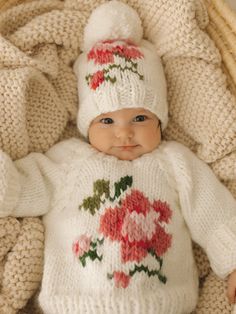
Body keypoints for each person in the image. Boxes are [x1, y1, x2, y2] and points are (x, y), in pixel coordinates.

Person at [0, 1, 236, 313]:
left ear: (160, 121)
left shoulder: (175, 163)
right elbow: (22, 185)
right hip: (78, 302)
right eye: (107, 121)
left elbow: (214, 213)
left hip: (163, 304)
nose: (124, 133)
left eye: (139, 119)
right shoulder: (69, 161)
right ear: (87, 126)